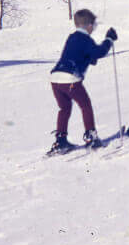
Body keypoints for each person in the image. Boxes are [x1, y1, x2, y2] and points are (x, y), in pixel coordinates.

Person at [48, 9, 117, 153]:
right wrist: (109, 40)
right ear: (90, 26)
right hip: (70, 79)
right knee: (85, 105)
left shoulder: (72, 37)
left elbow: (76, 53)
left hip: (55, 79)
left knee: (64, 108)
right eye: (94, 26)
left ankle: (60, 140)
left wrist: (89, 59)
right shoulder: (86, 39)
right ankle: (91, 136)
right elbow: (99, 52)